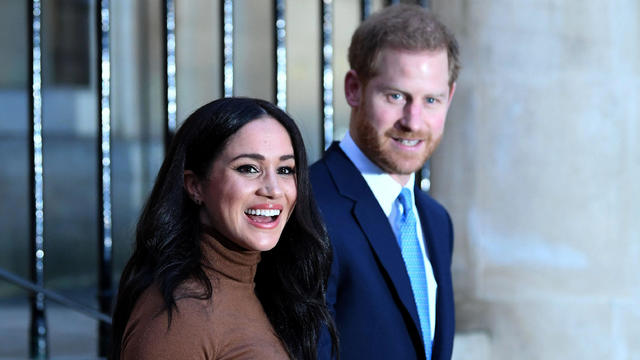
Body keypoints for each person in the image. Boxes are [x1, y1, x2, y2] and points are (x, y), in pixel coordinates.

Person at [111, 97, 338, 359]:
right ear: (195, 185)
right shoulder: (182, 316)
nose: (273, 189)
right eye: (249, 168)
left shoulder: (263, 287)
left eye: (285, 170)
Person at [310, 4, 460, 360]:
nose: (413, 120)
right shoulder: (308, 206)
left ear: (449, 98)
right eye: (396, 96)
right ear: (353, 89)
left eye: (431, 100)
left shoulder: (436, 221)